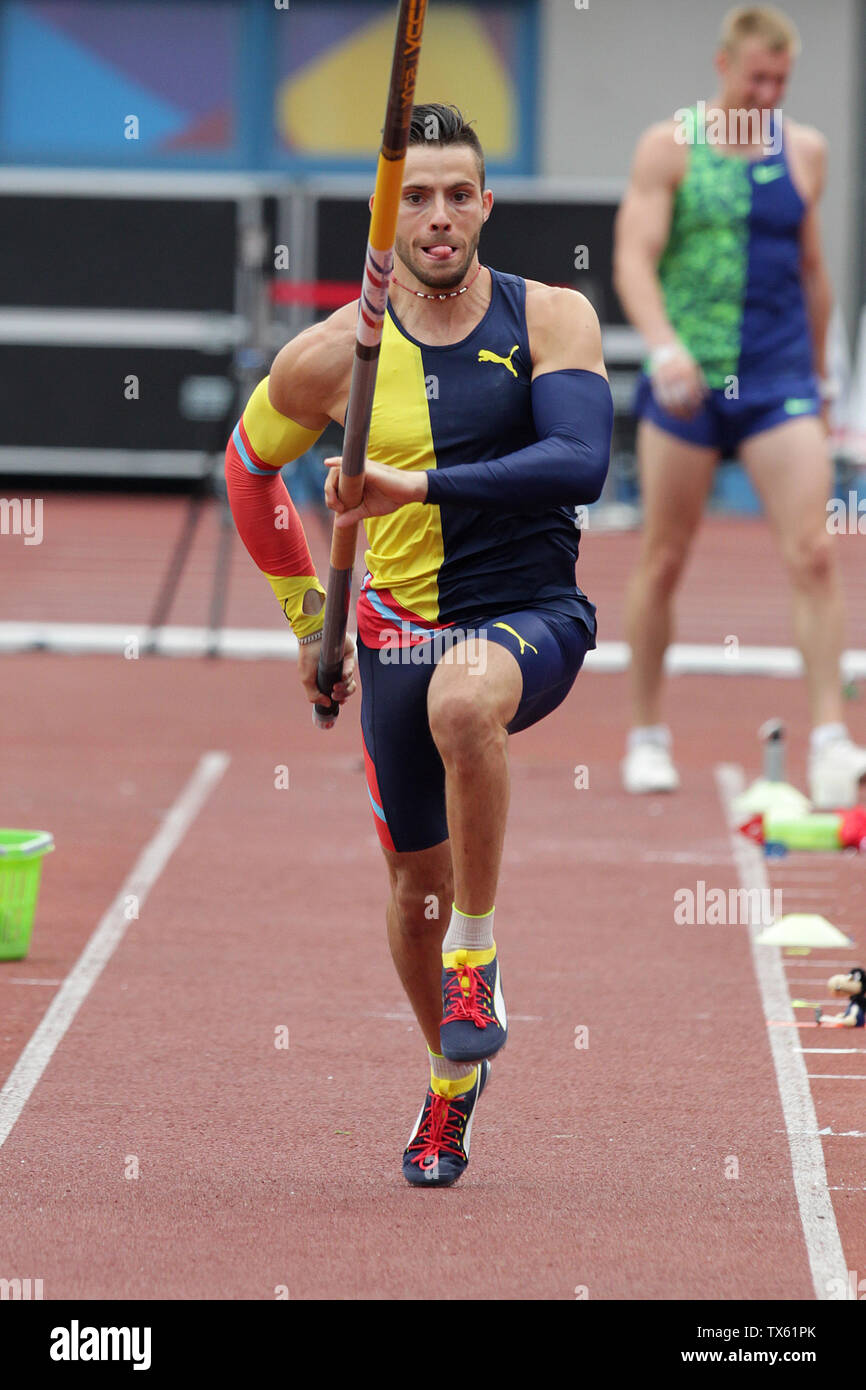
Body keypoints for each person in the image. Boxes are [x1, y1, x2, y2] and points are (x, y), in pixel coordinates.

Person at [225, 104, 612, 1186]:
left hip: (529, 611)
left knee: (461, 704)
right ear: (382, 215)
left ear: (484, 205)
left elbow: (578, 462)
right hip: (393, 630)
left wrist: (414, 482)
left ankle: (477, 958)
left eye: (457, 195)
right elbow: (247, 469)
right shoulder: (331, 359)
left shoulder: (552, 320)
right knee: (411, 888)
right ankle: (449, 1077)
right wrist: (311, 619)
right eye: (416, 198)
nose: (437, 217)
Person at [613, 3, 866, 807]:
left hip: (778, 378)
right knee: (665, 558)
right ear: (724, 67)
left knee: (814, 553)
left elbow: (814, 272)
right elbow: (632, 258)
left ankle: (831, 738)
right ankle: (648, 734)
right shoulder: (670, 146)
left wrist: (825, 384)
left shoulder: (806, 151)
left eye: (781, 81)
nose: (768, 92)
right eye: (757, 77)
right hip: (687, 378)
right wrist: (662, 344)